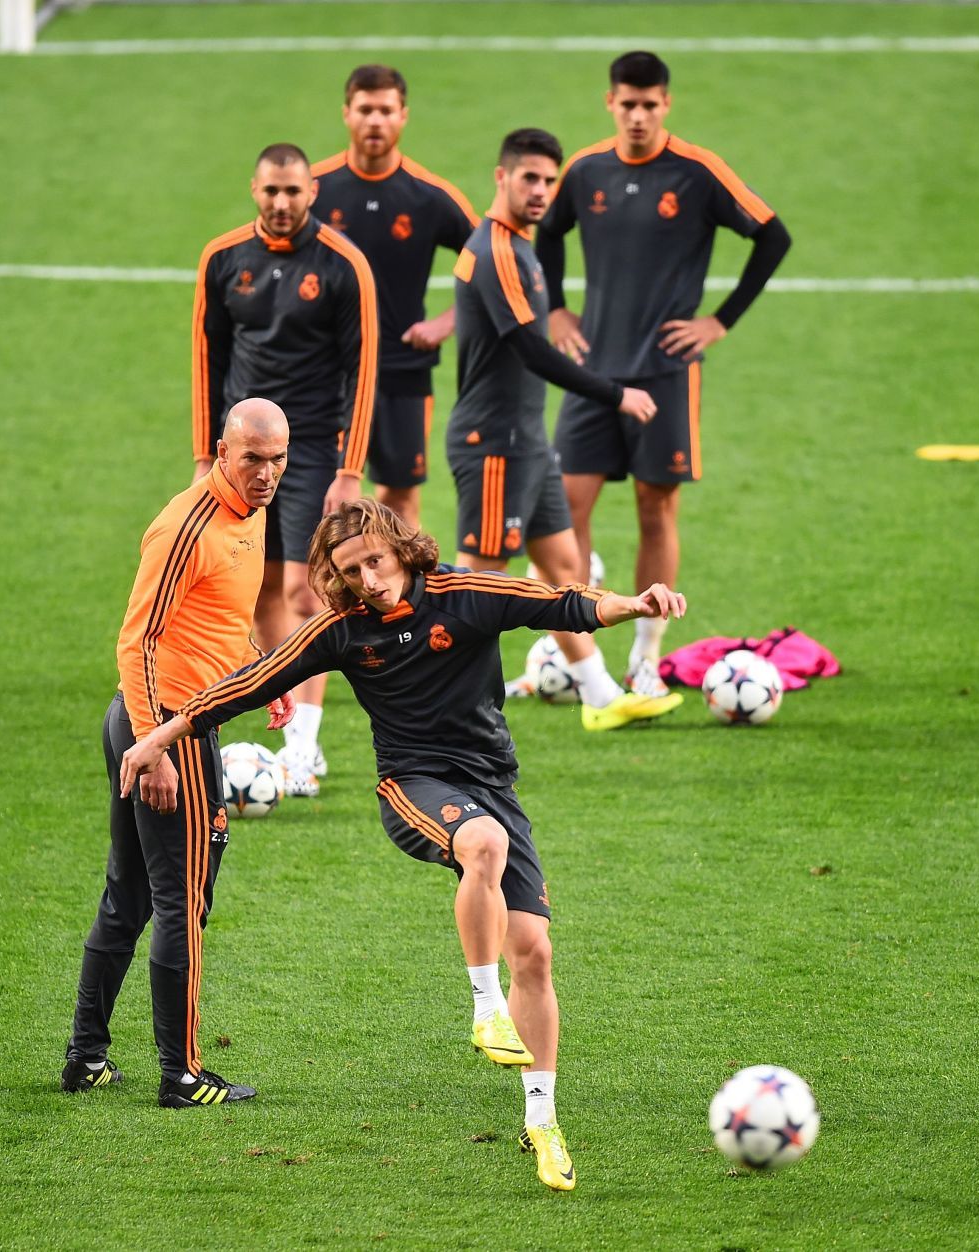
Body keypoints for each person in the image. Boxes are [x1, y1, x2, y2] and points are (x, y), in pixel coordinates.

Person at [117, 499, 689, 1190]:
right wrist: (156, 737)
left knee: (535, 951)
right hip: (411, 786)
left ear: (403, 550)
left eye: (375, 563)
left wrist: (633, 605)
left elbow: (560, 602)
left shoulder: (467, 595)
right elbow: (246, 684)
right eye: (349, 570)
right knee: (482, 843)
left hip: (492, 784)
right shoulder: (341, 629)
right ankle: (484, 1009)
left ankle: (542, 1121)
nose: (366, 580)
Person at [62, 399, 295, 1108]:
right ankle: (183, 1075)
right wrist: (152, 745)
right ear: (222, 451)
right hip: (164, 732)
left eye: (278, 459)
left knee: (129, 896)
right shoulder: (188, 525)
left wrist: (265, 673)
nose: (266, 473)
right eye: (252, 458)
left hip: (169, 723)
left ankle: (86, 1058)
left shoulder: (251, 515)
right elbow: (137, 642)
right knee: (182, 903)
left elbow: (218, 619)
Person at [535, 50, 791, 693]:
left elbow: (772, 235)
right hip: (594, 372)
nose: (639, 115)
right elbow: (547, 233)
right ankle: (583, 652)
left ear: (666, 105)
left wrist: (719, 321)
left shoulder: (699, 172)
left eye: (650, 104)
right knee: (568, 504)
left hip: (666, 371)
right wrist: (558, 309)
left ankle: (646, 655)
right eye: (628, 103)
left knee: (657, 507)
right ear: (610, 103)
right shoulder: (585, 169)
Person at [449, 127, 681, 731]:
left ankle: (601, 695)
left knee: (561, 566)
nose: (542, 191)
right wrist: (614, 393)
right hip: (494, 442)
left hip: (526, 440)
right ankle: (450, 707)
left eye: (551, 181)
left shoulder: (519, 245)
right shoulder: (498, 249)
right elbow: (530, 347)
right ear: (500, 176)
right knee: (479, 582)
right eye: (530, 177)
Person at [193, 143, 380, 792]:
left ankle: (302, 746)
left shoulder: (343, 265)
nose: (280, 204)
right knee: (259, 592)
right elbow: (206, 364)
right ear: (254, 189)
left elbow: (364, 370)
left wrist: (349, 470)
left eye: (293, 192)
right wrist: (201, 458)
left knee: (309, 592)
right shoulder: (222, 260)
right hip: (240, 455)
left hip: (312, 455)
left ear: (311, 193)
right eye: (270, 191)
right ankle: (287, 726)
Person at [313, 64, 481, 533]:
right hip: (328, 374)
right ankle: (322, 605)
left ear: (403, 116)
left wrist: (448, 322)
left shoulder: (430, 197)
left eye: (385, 110)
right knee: (324, 498)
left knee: (401, 499)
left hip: (402, 369)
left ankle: (404, 603)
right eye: (365, 109)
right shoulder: (312, 190)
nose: (375, 121)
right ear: (347, 113)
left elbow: (494, 262)